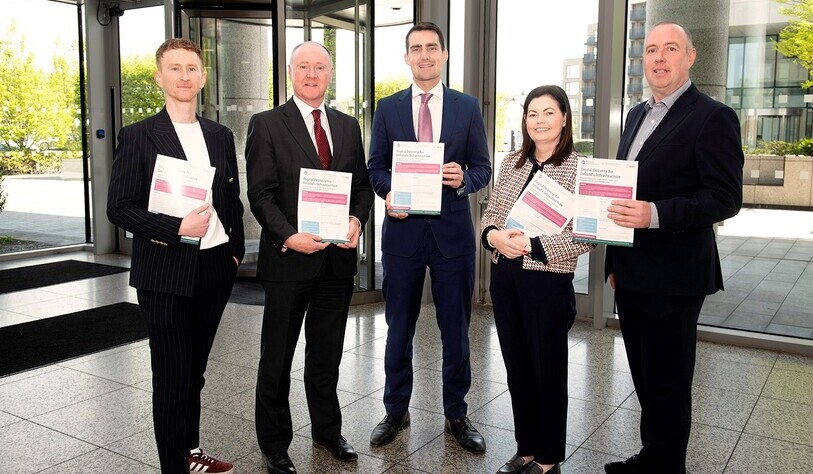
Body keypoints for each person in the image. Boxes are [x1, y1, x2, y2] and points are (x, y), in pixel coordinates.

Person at [604, 22, 743, 474]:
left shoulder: (713, 116)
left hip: (675, 275)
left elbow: (724, 198)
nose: (659, 58)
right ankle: (654, 458)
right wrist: (613, 260)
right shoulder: (636, 115)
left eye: (670, 49)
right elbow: (625, 192)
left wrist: (655, 214)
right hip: (631, 271)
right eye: (651, 50)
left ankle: (667, 468)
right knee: (645, 379)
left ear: (690, 56)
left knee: (668, 384)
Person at [107, 38, 244, 474]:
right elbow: (119, 208)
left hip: (215, 266)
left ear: (203, 78)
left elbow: (231, 198)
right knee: (171, 376)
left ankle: (190, 452)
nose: (184, 76)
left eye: (191, 69)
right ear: (159, 77)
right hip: (164, 270)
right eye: (175, 68)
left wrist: (234, 252)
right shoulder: (138, 135)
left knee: (195, 372)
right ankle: (175, 467)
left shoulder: (220, 135)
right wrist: (175, 228)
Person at [245, 41, 374, 474]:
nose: (312, 74)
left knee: (326, 355)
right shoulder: (266, 124)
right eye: (304, 66)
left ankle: (327, 431)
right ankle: (274, 445)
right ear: (290, 73)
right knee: (277, 358)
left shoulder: (347, 126)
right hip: (288, 261)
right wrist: (288, 236)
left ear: (330, 74)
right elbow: (260, 194)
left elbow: (361, 187)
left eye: (320, 67)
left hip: (335, 264)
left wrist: (356, 219)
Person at [367, 21, 492, 453]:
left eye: (432, 47)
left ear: (444, 55)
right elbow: (375, 167)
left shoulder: (466, 107)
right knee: (398, 329)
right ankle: (395, 411)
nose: (424, 54)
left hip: (452, 237)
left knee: (455, 331)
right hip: (402, 234)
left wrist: (463, 179)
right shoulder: (388, 108)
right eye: (416, 48)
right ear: (407, 57)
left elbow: (483, 168)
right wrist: (388, 192)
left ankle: (457, 413)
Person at [481, 85, 593, 474]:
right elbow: (490, 213)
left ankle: (547, 459)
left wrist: (533, 245)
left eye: (548, 112)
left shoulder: (580, 169)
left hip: (546, 281)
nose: (539, 120)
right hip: (505, 277)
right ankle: (526, 449)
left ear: (564, 118)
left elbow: (587, 235)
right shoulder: (511, 162)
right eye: (532, 113)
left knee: (548, 371)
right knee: (517, 368)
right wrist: (493, 237)